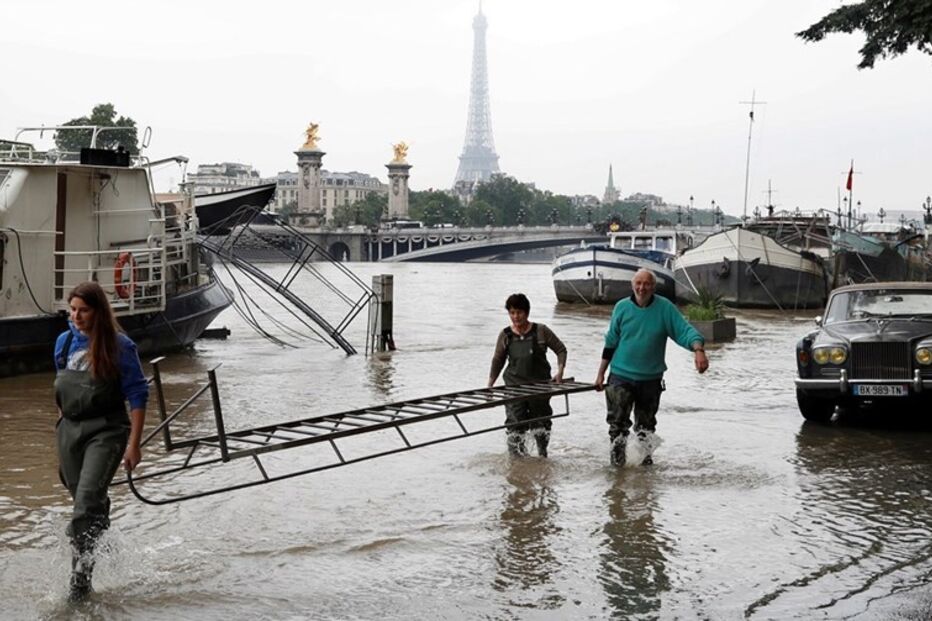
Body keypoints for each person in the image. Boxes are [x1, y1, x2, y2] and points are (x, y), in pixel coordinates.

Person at [53, 281, 148, 602]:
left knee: (86, 503)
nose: (76, 316)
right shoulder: (64, 343)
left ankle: (78, 582)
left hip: (106, 429)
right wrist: (61, 434)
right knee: (87, 502)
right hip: (70, 430)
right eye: (73, 310)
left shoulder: (120, 346)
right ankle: (98, 540)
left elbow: (137, 395)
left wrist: (134, 445)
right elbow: (61, 389)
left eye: (84, 310)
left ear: (98, 312)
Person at [594, 269, 708, 466]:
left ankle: (644, 473)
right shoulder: (621, 307)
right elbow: (610, 342)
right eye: (638, 283)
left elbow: (684, 331)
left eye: (646, 284)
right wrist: (600, 374)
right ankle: (617, 469)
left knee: (646, 428)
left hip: (650, 379)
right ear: (632, 285)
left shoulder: (665, 308)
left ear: (653, 287)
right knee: (617, 426)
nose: (642, 288)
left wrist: (698, 349)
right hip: (620, 376)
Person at [488, 293, 567, 457]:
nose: (515, 317)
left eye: (519, 312)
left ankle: (542, 457)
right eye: (512, 313)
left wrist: (560, 371)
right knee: (515, 427)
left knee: (541, 425)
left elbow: (561, 349)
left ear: (527, 313)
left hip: (540, 387)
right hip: (513, 388)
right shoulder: (506, 335)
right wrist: (490, 384)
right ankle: (517, 465)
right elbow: (498, 360)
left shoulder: (541, 331)